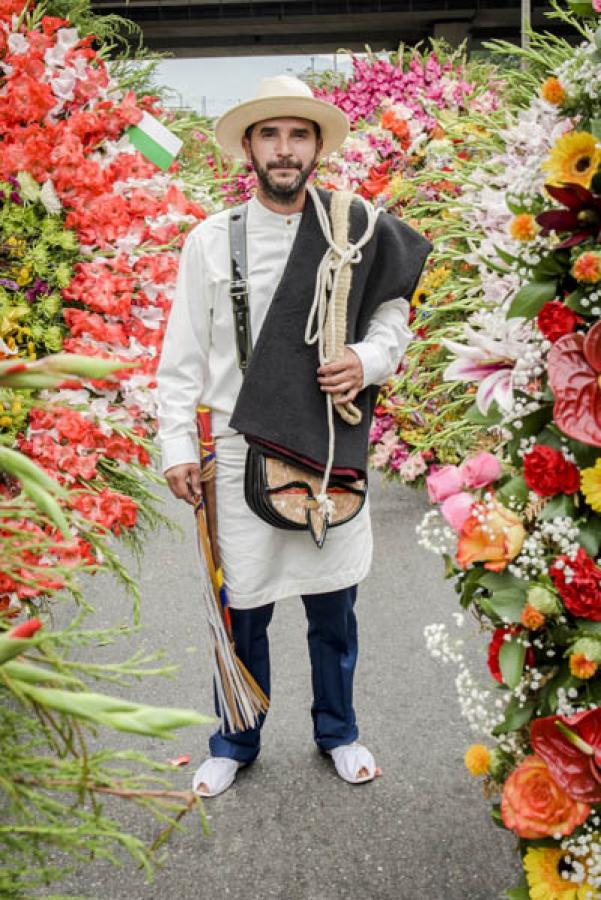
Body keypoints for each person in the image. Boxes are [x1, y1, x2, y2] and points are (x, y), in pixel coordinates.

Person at [157, 75, 431, 797]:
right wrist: (178, 447)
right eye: (270, 135)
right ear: (248, 147)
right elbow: (180, 359)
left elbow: (392, 318)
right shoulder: (209, 241)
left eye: (298, 134)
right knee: (241, 606)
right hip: (243, 447)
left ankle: (337, 732)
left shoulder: (357, 225)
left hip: (330, 442)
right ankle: (235, 739)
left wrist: (365, 361)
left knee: (332, 605)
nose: (284, 149)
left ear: (316, 147)